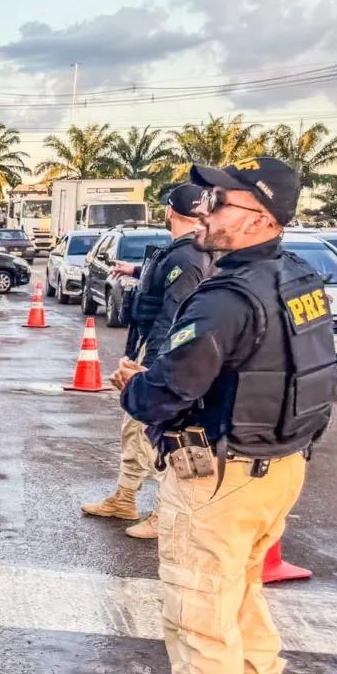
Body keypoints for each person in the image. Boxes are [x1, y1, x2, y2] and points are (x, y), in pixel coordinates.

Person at [115, 158, 337, 674]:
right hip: (280, 468)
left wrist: (132, 387)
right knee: (241, 597)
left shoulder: (225, 300)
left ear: (260, 218)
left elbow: (164, 394)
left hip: (220, 478)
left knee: (199, 613)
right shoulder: (299, 278)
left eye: (219, 203)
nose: (202, 213)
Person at [82, 184, 214, 538]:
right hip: (148, 348)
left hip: (159, 355)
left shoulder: (188, 258)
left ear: (170, 211)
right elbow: (166, 286)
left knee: (147, 433)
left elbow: (173, 315)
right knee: (132, 428)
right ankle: (125, 499)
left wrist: (151, 367)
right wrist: (137, 271)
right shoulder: (186, 253)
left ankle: (164, 512)